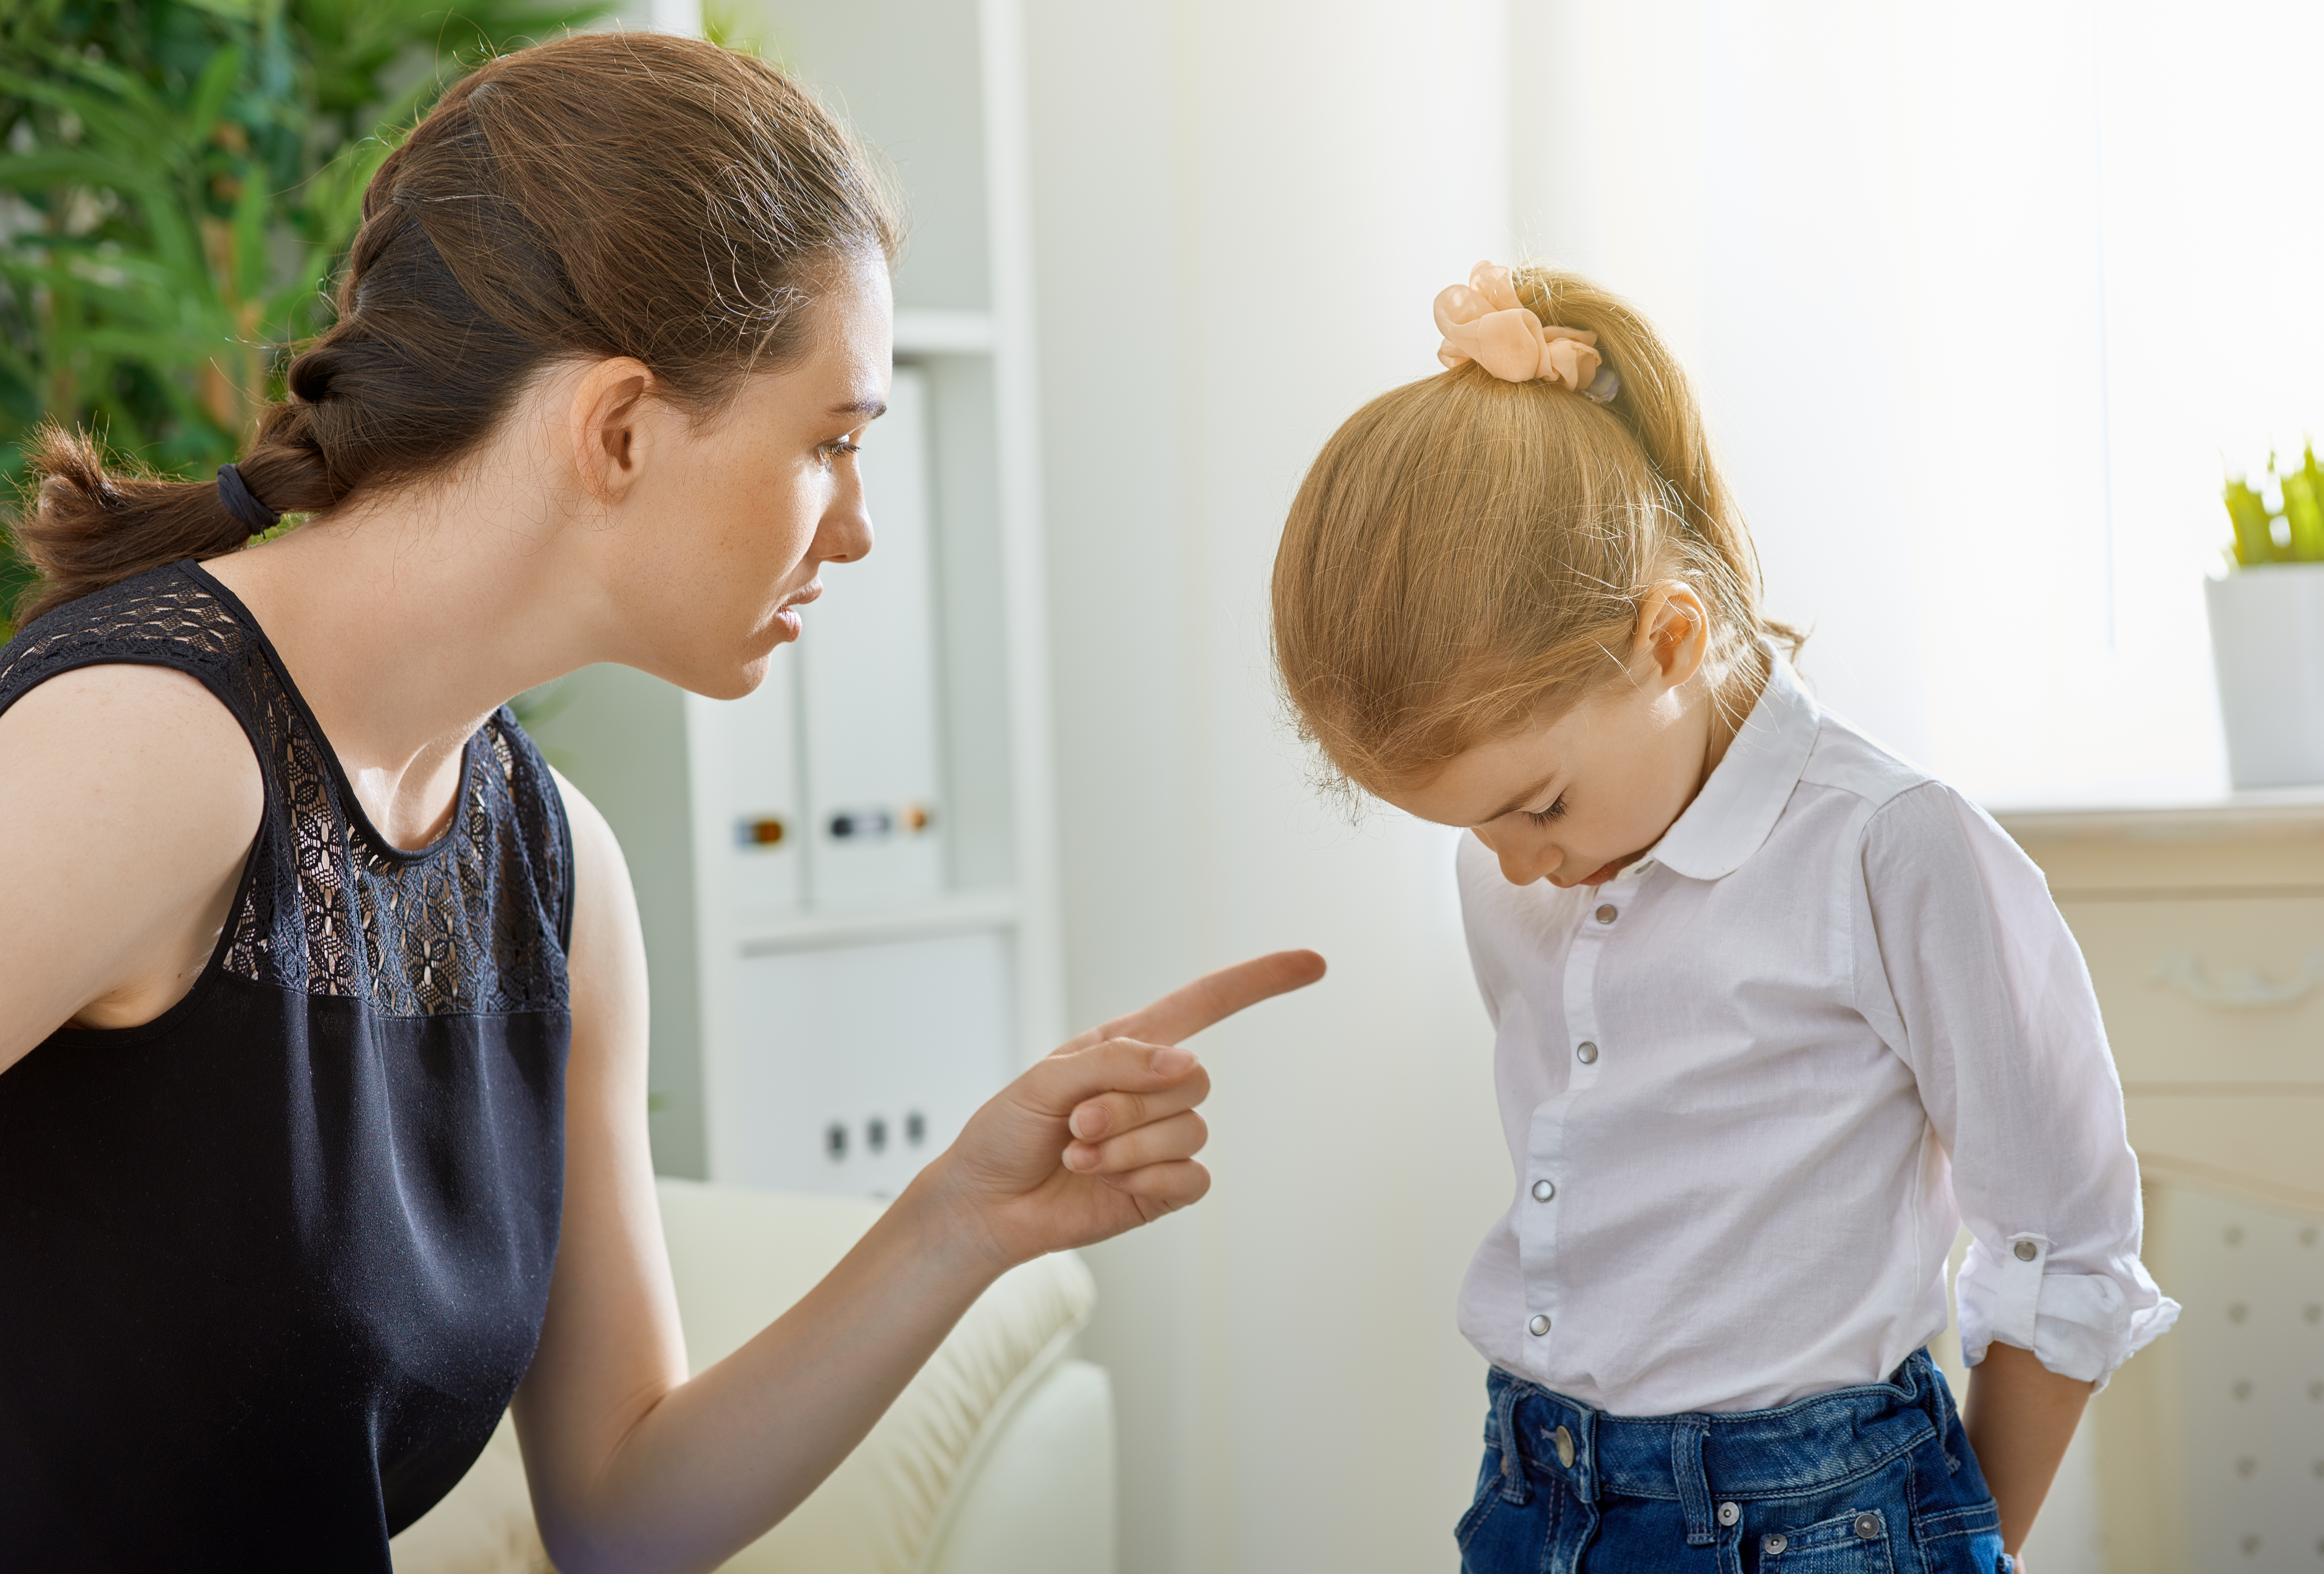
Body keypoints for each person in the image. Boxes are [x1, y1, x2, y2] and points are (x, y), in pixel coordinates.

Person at [0, 32, 1322, 1571]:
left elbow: (623, 1509)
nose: (863, 527)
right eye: (831, 444)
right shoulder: (157, 745)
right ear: (619, 428)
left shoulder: (559, 877)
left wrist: (960, 1216)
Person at [1270, 262, 2173, 1572]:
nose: (1518, 869)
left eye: (1537, 806)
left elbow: (2065, 1244)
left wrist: (1971, 1545)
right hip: (1538, 1484)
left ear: (1672, 640)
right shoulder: (1527, 874)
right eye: (1472, 832)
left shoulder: (1890, 847)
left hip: (1819, 1515)